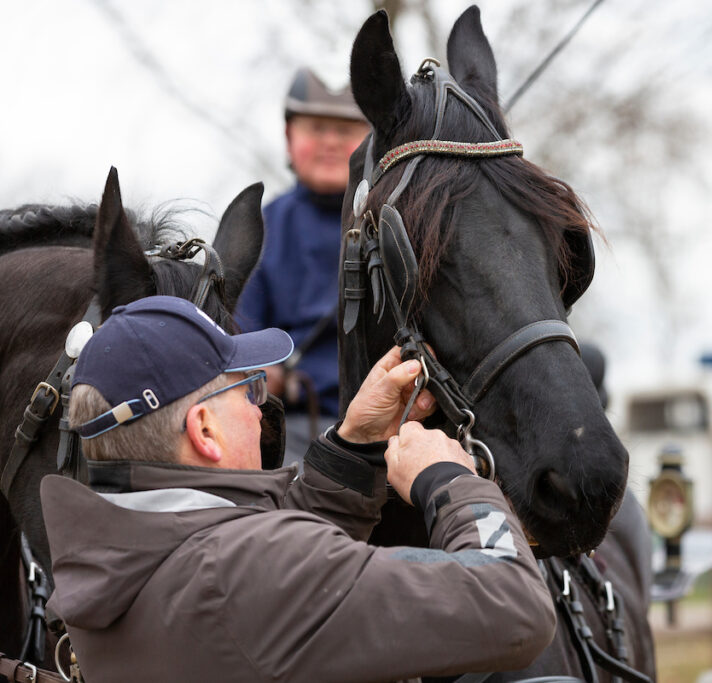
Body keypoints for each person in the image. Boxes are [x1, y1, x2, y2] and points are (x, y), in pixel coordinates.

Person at [40, 295, 556, 683]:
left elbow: (272, 591)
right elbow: (512, 605)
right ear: (204, 430)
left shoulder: (109, 560)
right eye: (246, 389)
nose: (259, 407)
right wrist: (450, 480)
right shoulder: (246, 572)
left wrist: (354, 446)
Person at [235, 67, 371, 465]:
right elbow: (236, 340)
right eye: (315, 129)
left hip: (393, 427)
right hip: (290, 427)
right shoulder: (260, 227)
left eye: (345, 131)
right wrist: (262, 372)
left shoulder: (403, 225)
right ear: (289, 137)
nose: (330, 142)